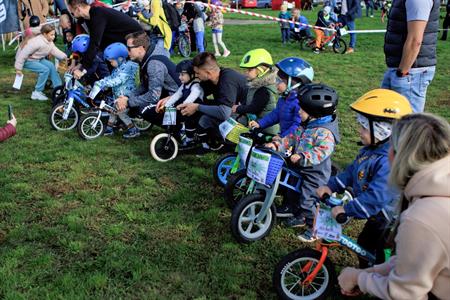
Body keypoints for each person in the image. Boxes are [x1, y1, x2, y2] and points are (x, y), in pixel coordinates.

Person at [338, 113, 450, 299]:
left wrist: (359, 278)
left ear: (397, 155)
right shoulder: (433, 194)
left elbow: (404, 294)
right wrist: (371, 273)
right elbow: (413, 263)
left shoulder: (421, 218)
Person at [317, 89, 413, 264]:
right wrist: (331, 186)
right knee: (365, 243)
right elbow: (352, 171)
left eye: (363, 127)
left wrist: (348, 209)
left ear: (382, 130)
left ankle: (381, 283)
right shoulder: (371, 150)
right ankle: (366, 274)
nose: (359, 131)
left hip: (391, 219)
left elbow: (376, 197)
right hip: (379, 215)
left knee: (381, 252)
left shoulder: (388, 162)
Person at [268, 84, 340, 242]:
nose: (298, 112)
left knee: (308, 201)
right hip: (300, 167)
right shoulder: (306, 125)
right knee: (291, 190)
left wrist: (304, 156)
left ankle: (316, 228)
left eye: (302, 110)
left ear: (314, 113)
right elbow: (291, 138)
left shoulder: (324, 132)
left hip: (315, 173)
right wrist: (277, 145)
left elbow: (322, 151)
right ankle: (298, 215)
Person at [175, 52, 248, 152]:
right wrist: (171, 98)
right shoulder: (211, 79)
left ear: (208, 73)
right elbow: (195, 93)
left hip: (249, 118)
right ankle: (201, 140)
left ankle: (225, 144)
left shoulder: (227, 80)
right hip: (232, 110)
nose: (195, 76)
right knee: (202, 109)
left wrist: (197, 107)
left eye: (198, 73)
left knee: (204, 115)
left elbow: (224, 113)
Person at [381, 0, 439, 113]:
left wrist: (402, 72)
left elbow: (415, 40)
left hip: (410, 72)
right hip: (402, 70)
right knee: (387, 120)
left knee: (409, 126)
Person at [67, 0, 142, 80]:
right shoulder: (88, 19)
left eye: (72, 13)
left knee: (131, 72)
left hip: (135, 38)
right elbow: (97, 44)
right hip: (119, 41)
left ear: (78, 9)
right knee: (112, 64)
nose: (73, 16)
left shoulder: (98, 14)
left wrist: (83, 68)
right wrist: (81, 64)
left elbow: (95, 43)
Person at [115, 31, 180, 124]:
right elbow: (145, 84)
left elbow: (153, 96)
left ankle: (177, 128)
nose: (127, 51)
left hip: (178, 98)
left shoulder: (154, 64)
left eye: (129, 48)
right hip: (169, 93)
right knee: (135, 103)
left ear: (141, 48)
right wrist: (127, 97)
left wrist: (128, 102)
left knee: (142, 109)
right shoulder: (149, 55)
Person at [248, 57, 314, 138]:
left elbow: (297, 126)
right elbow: (276, 114)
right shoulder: (284, 98)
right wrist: (260, 123)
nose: (275, 83)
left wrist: (282, 137)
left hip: (293, 142)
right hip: (283, 140)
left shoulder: (299, 103)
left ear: (293, 83)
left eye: (279, 80)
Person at [91, 43, 140, 139]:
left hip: (127, 96)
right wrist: (102, 82)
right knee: (112, 110)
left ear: (120, 58)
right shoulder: (117, 69)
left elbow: (118, 80)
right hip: (118, 97)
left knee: (120, 113)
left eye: (112, 61)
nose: (111, 63)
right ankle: (109, 128)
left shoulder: (127, 69)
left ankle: (133, 129)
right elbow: (111, 77)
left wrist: (105, 83)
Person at [15, 24, 67, 101]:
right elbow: (23, 53)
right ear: (45, 34)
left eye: (54, 34)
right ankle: (37, 92)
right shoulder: (36, 42)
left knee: (51, 66)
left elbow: (55, 50)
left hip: (37, 59)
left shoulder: (49, 41)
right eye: (51, 35)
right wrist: (18, 68)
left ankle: (58, 89)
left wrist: (65, 57)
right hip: (26, 60)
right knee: (45, 70)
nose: (54, 37)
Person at [233, 49, 279, 135]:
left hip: (267, 131)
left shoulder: (264, 89)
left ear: (260, 71)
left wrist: (238, 108)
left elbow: (254, 108)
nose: (246, 73)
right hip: (257, 126)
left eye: (249, 70)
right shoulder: (255, 85)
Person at [164, 60, 204, 144]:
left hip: (197, 111)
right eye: (179, 75)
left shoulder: (196, 86)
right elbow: (176, 95)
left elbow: (192, 98)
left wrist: (182, 105)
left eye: (182, 75)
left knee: (195, 126)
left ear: (191, 74)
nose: (179, 77)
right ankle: (184, 137)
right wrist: (167, 105)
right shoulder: (184, 85)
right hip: (188, 111)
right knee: (186, 122)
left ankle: (203, 143)